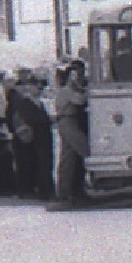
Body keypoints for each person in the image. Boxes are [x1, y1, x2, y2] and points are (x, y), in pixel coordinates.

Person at [49, 60, 90, 210]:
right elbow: (80, 100)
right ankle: (65, 192)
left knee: (69, 158)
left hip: (69, 121)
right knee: (84, 149)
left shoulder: (68, 90)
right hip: (68, 120)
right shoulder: (66, 91)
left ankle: (67, 191)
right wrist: (88, 90)